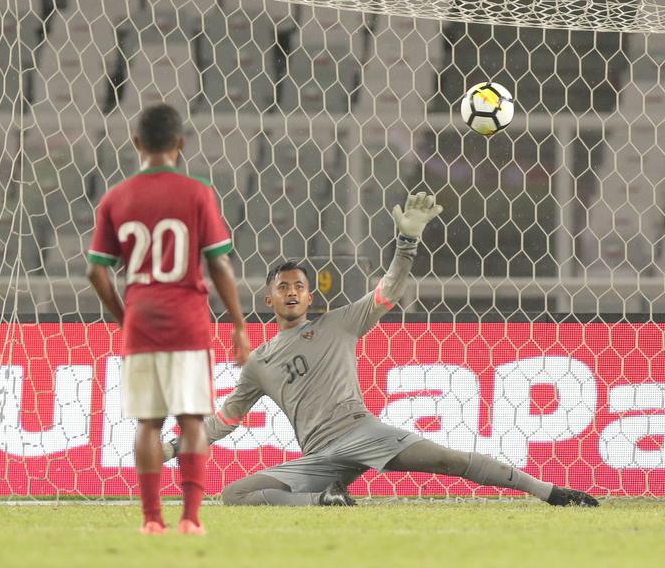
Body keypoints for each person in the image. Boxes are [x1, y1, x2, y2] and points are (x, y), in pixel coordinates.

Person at [164, 193, 598, 508]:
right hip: (319, 459)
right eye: (283, 287)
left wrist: (406, 244)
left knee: (448, 460)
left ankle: (550, 492)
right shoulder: (259, 363)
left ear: (311, 297)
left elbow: (388, 291)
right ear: (269, 299)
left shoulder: (338, 323)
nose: (291, 292)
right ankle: (325, 500)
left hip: (363, 434)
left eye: (299, 286)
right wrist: (173, 447)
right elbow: (224, 421)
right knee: (235, 494)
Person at [87, 103, 251, 535]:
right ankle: (191, 519)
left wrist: (124, 316)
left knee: (148, 423)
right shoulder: (198, 193)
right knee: (192, 420)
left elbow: (96, 272)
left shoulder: (116, 198)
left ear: (136, 143)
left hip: (142, 324)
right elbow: (219, 264)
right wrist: (238, 324)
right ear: (180, 143)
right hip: (187, 324)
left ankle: (151, 519)